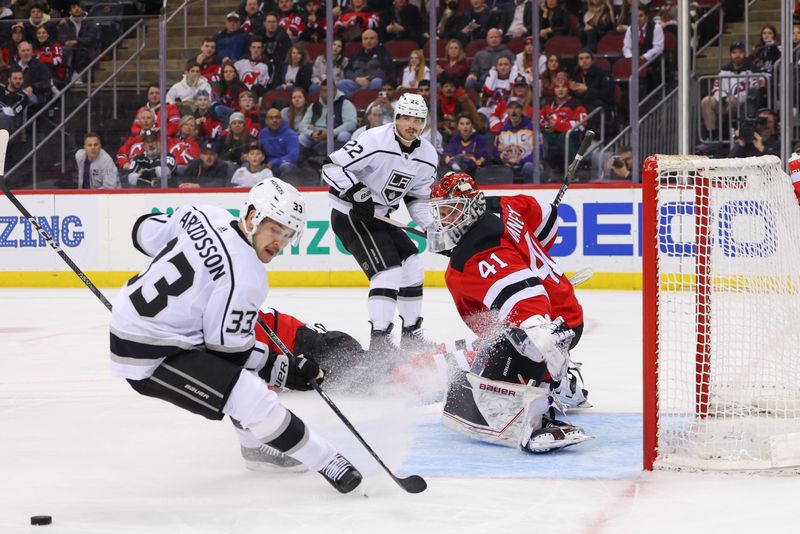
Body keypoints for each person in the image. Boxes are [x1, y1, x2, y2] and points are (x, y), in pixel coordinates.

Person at [109, 178, 363, 493]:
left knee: (240, 382)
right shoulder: (248, 278)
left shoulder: (202, 214)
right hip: (150, 352)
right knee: (251, 397)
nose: (279, 242)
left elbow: (143, 232)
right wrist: (283, 368)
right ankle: (329, 462)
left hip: (139, 318)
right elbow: (229, 353)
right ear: (253, 214)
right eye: (276, 229)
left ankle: (256, 448)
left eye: (287, 235)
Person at [427, 172, 591, 453]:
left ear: (469, 207)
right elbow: (549, 220)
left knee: (471, 386)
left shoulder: (476, 255)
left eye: (450, 211)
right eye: (440, 212)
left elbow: (526, 297)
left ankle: (537, 422)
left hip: (548, 327)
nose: (443, 220)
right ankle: (558, 380)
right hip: (566, 314)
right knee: (477, 352)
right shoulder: (504, 204)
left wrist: (539, 332)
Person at [321, 92, 438, 352]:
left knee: (413, 266)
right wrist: (357, 192)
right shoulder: (374, 139)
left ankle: (411, 335)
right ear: (396, 118)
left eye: (418, 120)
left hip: (381, 216)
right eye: (406, 118)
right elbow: (330, 166)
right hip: (350, 212)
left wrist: (431, 226)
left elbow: (417, 198)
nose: (412, 125)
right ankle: (380, 342)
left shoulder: (427, 155)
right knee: (388, 271)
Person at [298, 78, 357, 152]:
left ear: (335, 91)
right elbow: (302, 125)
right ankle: (304, 160)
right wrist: (312, 133)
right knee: (302, 137)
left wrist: (331, 133)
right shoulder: (314, 105)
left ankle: (338, 161)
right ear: (320, 92)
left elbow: (351, 124)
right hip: (317, 135)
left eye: (330, 90)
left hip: (336, 135)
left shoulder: (345, 103)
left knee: (344, 135)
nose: (327, 94)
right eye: (324, 91)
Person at [340, 29, 394, 97]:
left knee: (377, 82)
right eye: (366, 39)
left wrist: (368, 79)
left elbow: (385, 70)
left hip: (372, 82)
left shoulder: (383, 53)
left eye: (372, 38)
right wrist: (356, 79)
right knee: (342, 83)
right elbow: (347, 71)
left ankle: (372, 105)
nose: (368, 41)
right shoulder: (356, 54)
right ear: (362, 41)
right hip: (357, 82)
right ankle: (351, 105)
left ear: (377, 40)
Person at [57, 0, 100, 84]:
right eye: (74, 7)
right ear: (70, 11)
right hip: (71, 50)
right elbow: (61, 37)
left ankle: (80, 76)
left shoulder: (90, 22)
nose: (77, 9)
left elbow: (89, 39)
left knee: (80, 52)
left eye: (78, 7)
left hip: (87, 50)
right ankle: (71, 75)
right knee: (67, 52)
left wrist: (76, 41)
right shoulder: (66, 24)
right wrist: (66, 41)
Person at [494, 97, 535, 182]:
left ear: (522, 110)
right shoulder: (502, 130)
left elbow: (538, 153)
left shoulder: (532, 128)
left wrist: (521, 160)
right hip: (507, 165)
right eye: (510, 107)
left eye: (517, 107)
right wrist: (502, 157)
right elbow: (495, 151)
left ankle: (531, 193)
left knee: (529, 167)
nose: (513, 111)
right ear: (507, 111)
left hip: (526, 164)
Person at [258, 107, 300, 178]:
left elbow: (293, 156)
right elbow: (259, 150)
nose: (274, 120)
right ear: (266, 121)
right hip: (268, 165)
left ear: (281, 120)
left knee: (286, 167)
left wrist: (274, 162)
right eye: (271, 118)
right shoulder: (263, 133)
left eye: (277, 117)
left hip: (285, 164)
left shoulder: (290, 134)